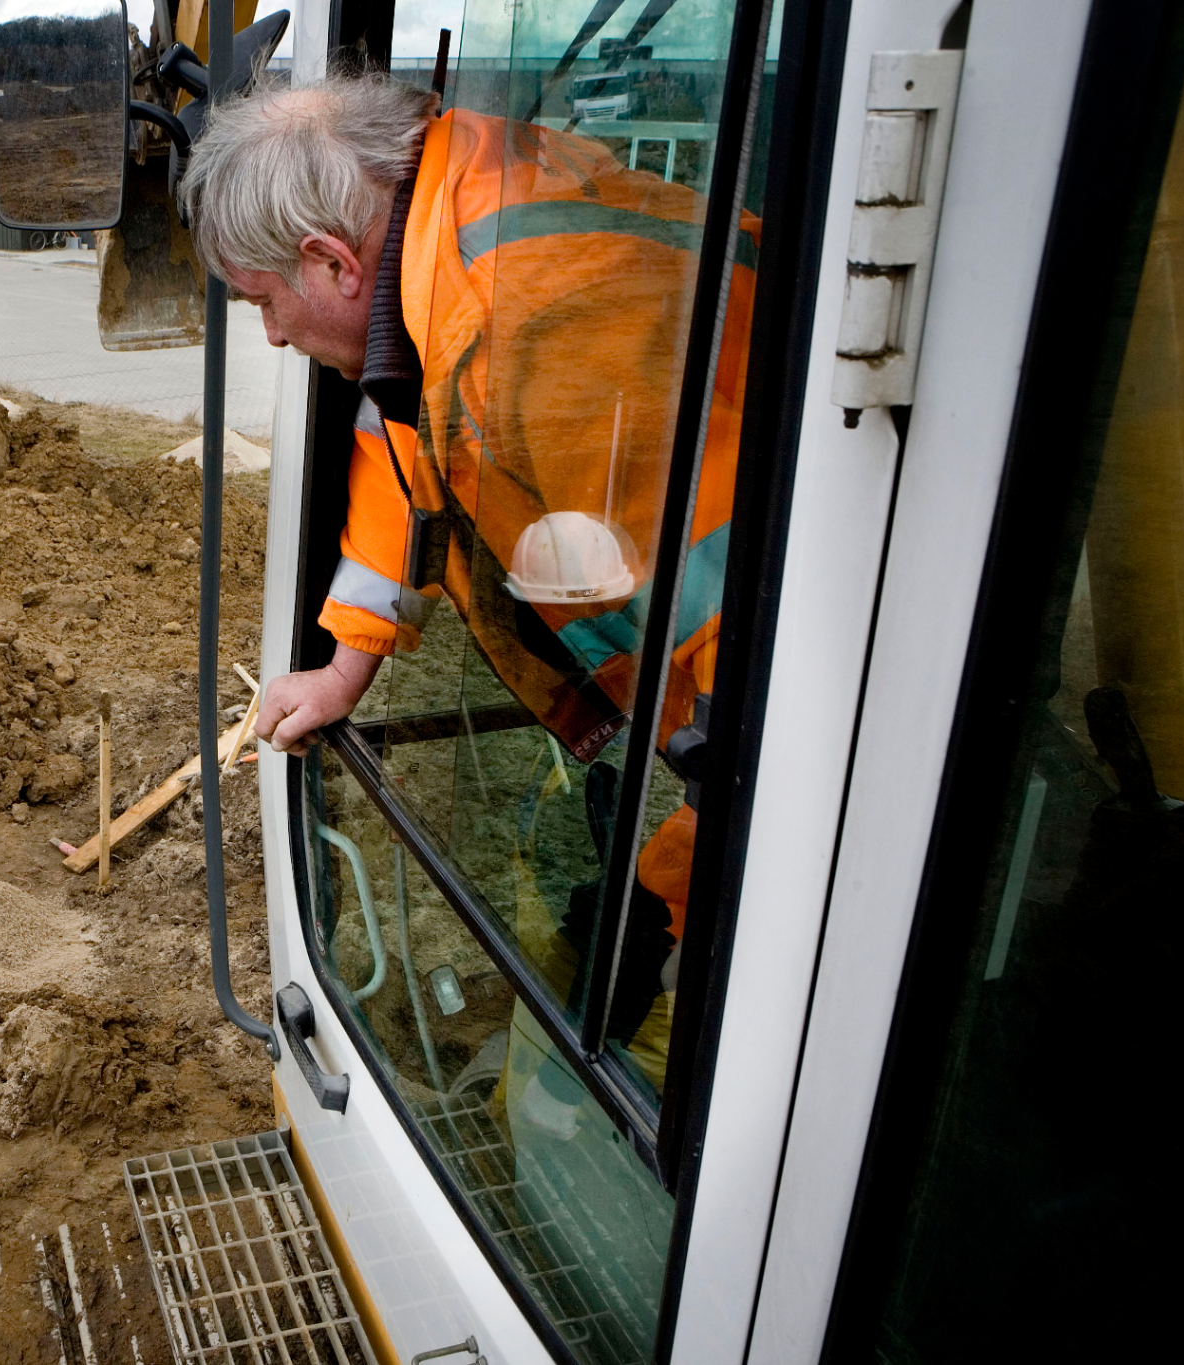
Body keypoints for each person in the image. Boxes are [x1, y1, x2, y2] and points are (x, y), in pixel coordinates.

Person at [181, 72, 758, 1083]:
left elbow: (749, 688)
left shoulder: (542, 325)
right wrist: (342, 666)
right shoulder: (443, 226)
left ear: (325, 261)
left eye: (262, 302)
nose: (269, 334)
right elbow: (405, 455)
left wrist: (680, 906)